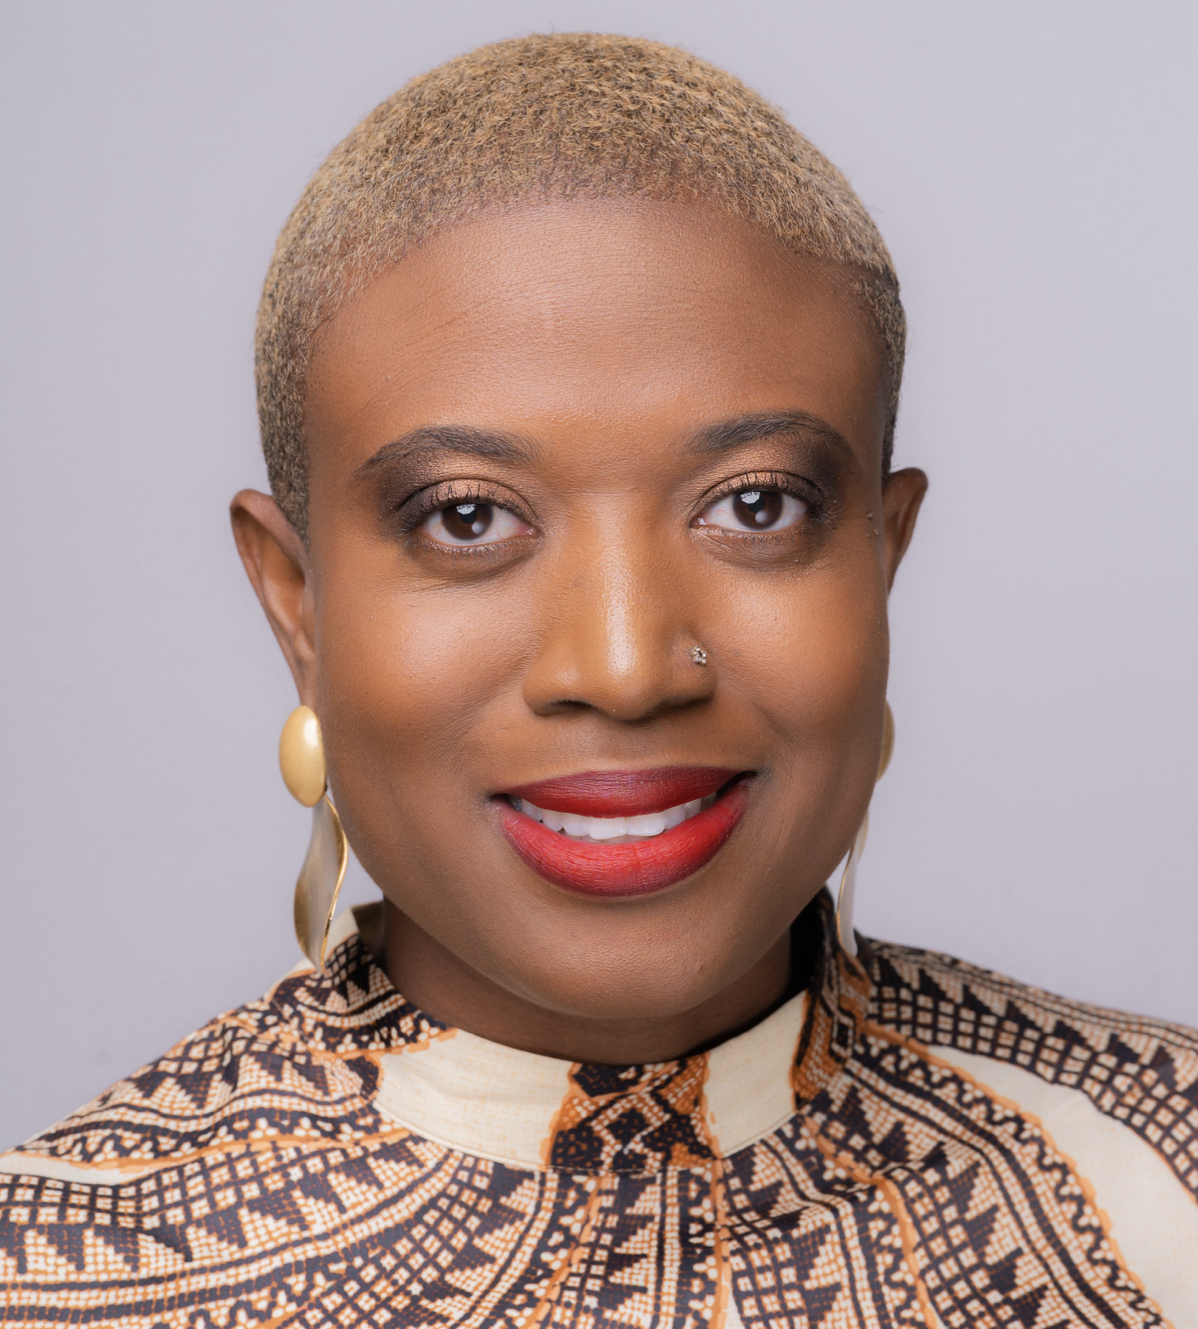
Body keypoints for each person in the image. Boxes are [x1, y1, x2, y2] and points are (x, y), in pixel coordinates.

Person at [2, 32, 1194, 1328]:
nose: (624, 669)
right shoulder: (56, 1282)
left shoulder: (1166, 1190)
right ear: (297, 602)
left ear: (881, 555)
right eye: (467, 517)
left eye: (755, 504)